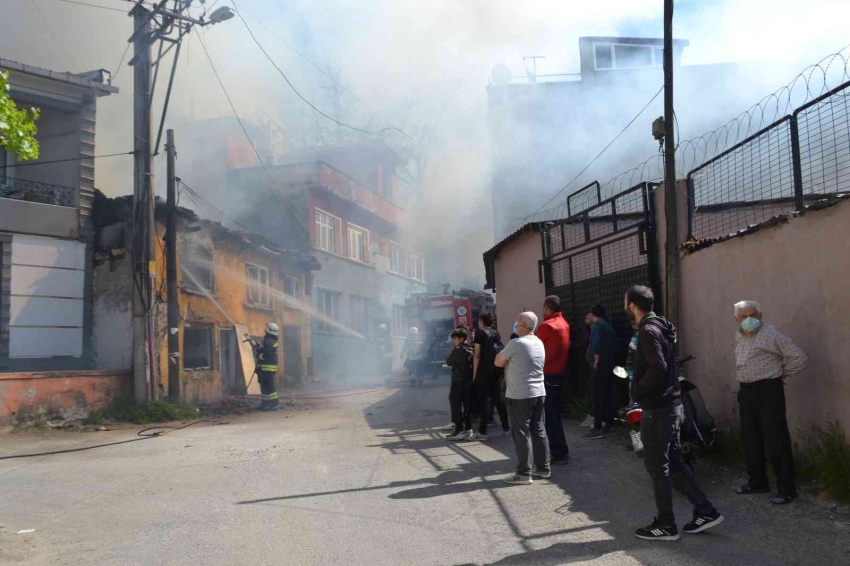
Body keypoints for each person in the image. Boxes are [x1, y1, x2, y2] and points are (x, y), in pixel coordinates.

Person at [625, 285, 723, 540]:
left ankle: (666, 525)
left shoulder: (647, 330)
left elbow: (657, 367)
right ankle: (705, 510)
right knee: (674, 460)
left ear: (633, 305)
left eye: (626, 302)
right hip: (669, 404)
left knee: (657, 466)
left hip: (658, 408)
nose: (625, 306)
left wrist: (638, 389)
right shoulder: (662, 325)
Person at [733, 300, 807, 505]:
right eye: (743, 316)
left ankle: (786, 489)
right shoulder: (739, 334)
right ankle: (757, 482)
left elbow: (798, 357)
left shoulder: (771, 333)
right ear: (736, 319)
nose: (749, 320)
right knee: (751, 438)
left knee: (776, 439)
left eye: (753, 315)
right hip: (746, 391)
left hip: (768, 391)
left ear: (760, 316)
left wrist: (778, 375)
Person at [495, 312, 550, 485]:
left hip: (520, 395)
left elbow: (497, 361)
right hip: (539, 392)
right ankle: (544, 468)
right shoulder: (539, 342)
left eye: (518, 323)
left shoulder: (516, 343)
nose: (515, 325)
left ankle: (524, 473)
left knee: (521, 433)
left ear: (524, 326)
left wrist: (508, 361)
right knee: (539, 430)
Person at [535, 296, 571, 464]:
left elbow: (533, 349)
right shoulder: (564, 323)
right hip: (559, 373)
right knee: (554, 414)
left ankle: (559, 453)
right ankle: (561, 450)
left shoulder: (547, 326)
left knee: (550, 416)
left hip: (547, 374)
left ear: (547, 308)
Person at [473, 314, 509, 440]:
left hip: (484, 372)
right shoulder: (496, 333)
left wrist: (474, 374)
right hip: (496, 370)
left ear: (482, 321)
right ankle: (506, 428)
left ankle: (483, 432)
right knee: (498, 399)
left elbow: (476, 355)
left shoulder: (480, 334)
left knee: (483, 401)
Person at [584, 304, 616, 439]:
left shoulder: (597, 326)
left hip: (600, 366)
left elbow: (596, 342)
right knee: (608, 394)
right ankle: (609, 424)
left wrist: (596, 358)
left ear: (592, 314)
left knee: (598, 396)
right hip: (609, 365)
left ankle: (597, 427)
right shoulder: (608, 326)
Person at [445, 327, 475, 441]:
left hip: (458, 381)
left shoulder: (458, 349)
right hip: (469, 380)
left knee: (455, 404)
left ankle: (459, 430)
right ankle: (468, 430)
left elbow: (449, 361)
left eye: (455, 339)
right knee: (467, 406)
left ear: (461, 338)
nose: (454, 341)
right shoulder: (471, 347)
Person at [254, 322, 280, 411]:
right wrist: (260, 348)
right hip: (270, 365)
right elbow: (267, 351)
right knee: (265, 385)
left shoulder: (268, 340)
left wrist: (259, 355)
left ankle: (274, 403)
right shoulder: (272, 340)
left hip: (267, 366)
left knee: (268, 385)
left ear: (268, 330)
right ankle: (266, 404)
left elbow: (267, 353)